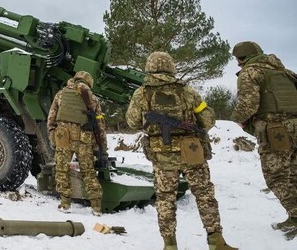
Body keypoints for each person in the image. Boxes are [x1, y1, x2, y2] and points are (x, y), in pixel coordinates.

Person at [126, 51, 235, 250]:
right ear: (171, 67)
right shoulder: (187, 91)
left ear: (149, 68)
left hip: (162, 153)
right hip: (191, 150)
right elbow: (208, 120)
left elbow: (132, 122)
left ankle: (169, 245)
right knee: (204, 194)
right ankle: (216, 241)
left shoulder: (141, 93)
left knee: (165, 198)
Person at [231, 41, 297, 240]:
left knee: (276, 175)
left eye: (237, 59)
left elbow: (247, 105)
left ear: (241, 58)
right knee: (293, 172)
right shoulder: (285, 72)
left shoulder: (250, 73)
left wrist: (237, 119)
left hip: (276, 132)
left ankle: (295, 216)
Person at [47, 70, 105, 215]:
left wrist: (53, 136)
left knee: (62, 170)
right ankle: (96, 206)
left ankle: (65, 203)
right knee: (88, 172)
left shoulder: (61, 94)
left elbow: (51, 118)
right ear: (88, 82)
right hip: (83, 139)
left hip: (63, 137)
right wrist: (102, 146)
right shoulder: (93, 98)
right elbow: (100, 126)